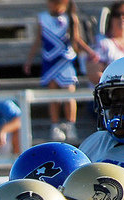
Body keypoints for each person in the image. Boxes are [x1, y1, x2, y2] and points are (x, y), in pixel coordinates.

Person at [24, 0, 97, 143]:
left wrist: (90, 52)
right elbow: (38, 40)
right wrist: (29, 60)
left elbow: (76, 39)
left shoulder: (70, 18)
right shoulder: (43, 18)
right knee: (53, 94)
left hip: (66, 60)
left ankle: (70, 124)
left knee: (69, 92)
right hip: (50, 60)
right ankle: (55, 125)